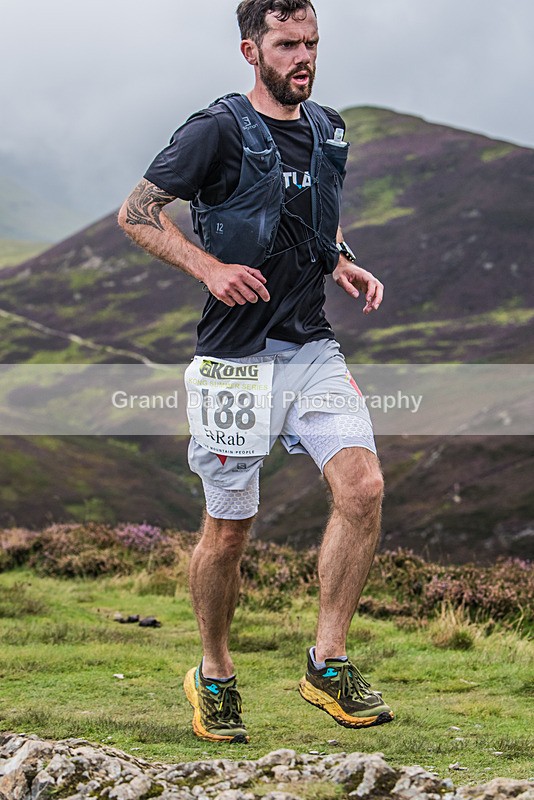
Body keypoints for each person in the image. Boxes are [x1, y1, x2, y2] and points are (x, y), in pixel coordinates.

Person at [118, 0, 393, 744]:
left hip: (309, 348)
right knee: (229, 530)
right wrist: (207, 267)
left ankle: (326, 664)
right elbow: (137, 212)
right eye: (286, 44)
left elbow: (311, 209)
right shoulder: (216, 128)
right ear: (251, 50)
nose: (303, 57)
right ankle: (213, 673)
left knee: (363, 487)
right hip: (233, 364)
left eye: (311, 43)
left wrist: (340, 260)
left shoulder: (328, 127)